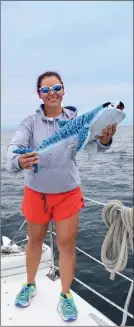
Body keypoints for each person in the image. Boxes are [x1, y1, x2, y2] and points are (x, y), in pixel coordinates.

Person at [7, 71, 116, 322]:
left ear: (64, 90)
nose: (52, 92)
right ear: (39, 95)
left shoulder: (77, 119)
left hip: (68, 193)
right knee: (34, 240)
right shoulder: (30, 122)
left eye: (56, 87)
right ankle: (30, 284)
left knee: (66, 245)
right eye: (46, 89)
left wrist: (106, 140)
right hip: (36, 193)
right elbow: (13, 148)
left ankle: (65, 295)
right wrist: (18, 160)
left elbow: (93, 145)